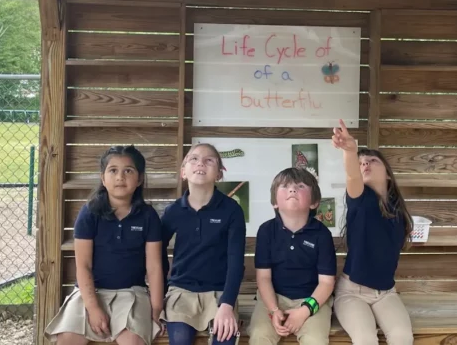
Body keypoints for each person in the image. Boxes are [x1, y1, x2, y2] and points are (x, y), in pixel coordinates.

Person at [45, 145, 164, 345]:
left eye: (128, 170)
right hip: (91, 292)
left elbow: (154, 267)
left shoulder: (148, 216)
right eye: (113, 170)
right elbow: (83, 266)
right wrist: (93, 308)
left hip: (132, 294)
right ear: (103, 178)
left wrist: (156, 310)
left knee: (134, 341)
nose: (120, 177)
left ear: (140, 179)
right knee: (67, 339)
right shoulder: (89, 213)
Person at [331, 120, 415, 345]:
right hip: (352, 293)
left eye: (372, 160)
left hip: (386, 293)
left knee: (402, 338)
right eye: (361, 162)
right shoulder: (360, 199)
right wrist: (350, 150)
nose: (365, 164)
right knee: (366, 339)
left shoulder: (398, 210)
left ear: (388, 174)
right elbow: (352, 176)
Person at [160, 143, 246, 345]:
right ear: (183, 171)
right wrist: (160, 297)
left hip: (219, 294)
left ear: (219, 173)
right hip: (181, 292)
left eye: (209, 160)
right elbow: (155, 253)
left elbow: (236, 263)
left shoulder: (231, 210)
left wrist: (227, 304)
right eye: (194, 159)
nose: (201, 163)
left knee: (225, 339)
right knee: (179, 340)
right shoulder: (173, 211)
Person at [248, 168, 336, 345]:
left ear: (314, 202)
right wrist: (273, 311)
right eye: (285, 186)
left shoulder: (322, 234)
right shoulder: (266, 231)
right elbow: (263, 278)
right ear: (274, 202)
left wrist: (304, 311)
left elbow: (326, 282)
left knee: (315, 340)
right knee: (259, 336)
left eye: (300, 186)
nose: (292, 190)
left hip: (312, 299)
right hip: (274, 298)